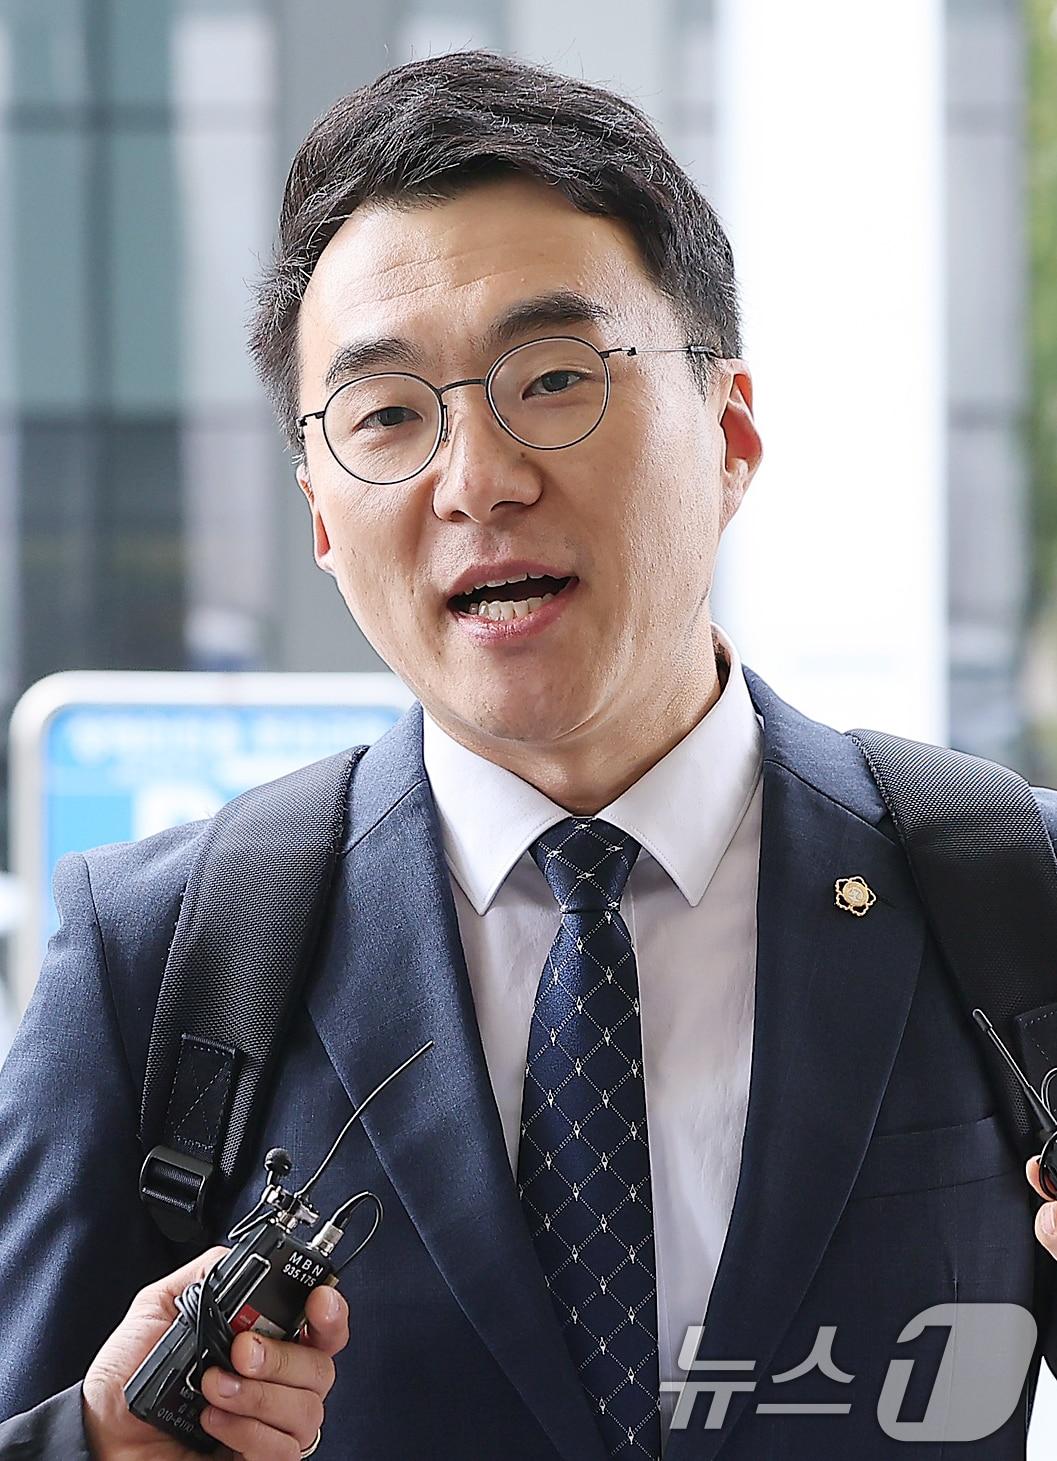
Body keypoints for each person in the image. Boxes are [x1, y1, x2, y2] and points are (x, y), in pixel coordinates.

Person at [1, 46, 1056, 1461]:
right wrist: (97, 1442)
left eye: (553, 379)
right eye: (387, 415)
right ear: (318, 515)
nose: (478, 480)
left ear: (730, 431)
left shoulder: (1016, 900)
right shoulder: (157, 955)